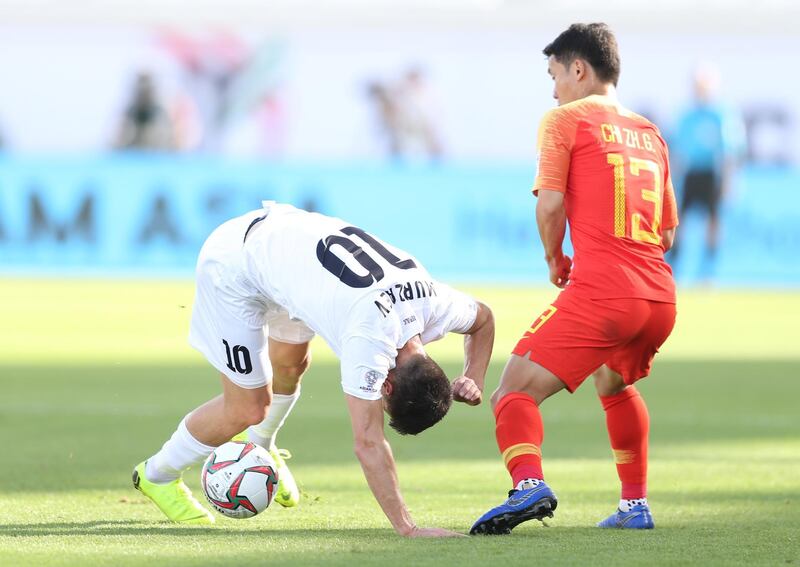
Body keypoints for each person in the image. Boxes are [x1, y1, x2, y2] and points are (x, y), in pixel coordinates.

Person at [132, 201, 494, 537]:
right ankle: (158, 474)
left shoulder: (435, 302)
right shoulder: (369, 341)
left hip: (290, 255)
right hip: (236, 266)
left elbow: (484, 319)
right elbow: (368, 441)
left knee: (291, 365)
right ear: (387, 387)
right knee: (247, 407)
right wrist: (408, 527)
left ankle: (260, 444)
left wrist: (473, 377)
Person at [470, 23, 678, 535]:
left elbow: (551, 204)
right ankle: (635, 506)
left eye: (554, 74)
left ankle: (527, 485)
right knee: (613, 381)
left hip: (605, 290)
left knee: (512, 391)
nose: (553, 88)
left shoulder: (565, 120)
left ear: (578, 69)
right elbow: (668, 232)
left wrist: (553, 258)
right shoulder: (650, 132)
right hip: (659, 295)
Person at [669, 65, 745, 280]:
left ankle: (708, 271)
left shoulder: (721, 114)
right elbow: (677, 149)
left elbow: (731, 150)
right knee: (678, 222)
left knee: (713, 222)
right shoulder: (687, 115)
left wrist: (729, 180)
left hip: (712, 174)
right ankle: (673, 267)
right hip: (691, 174)